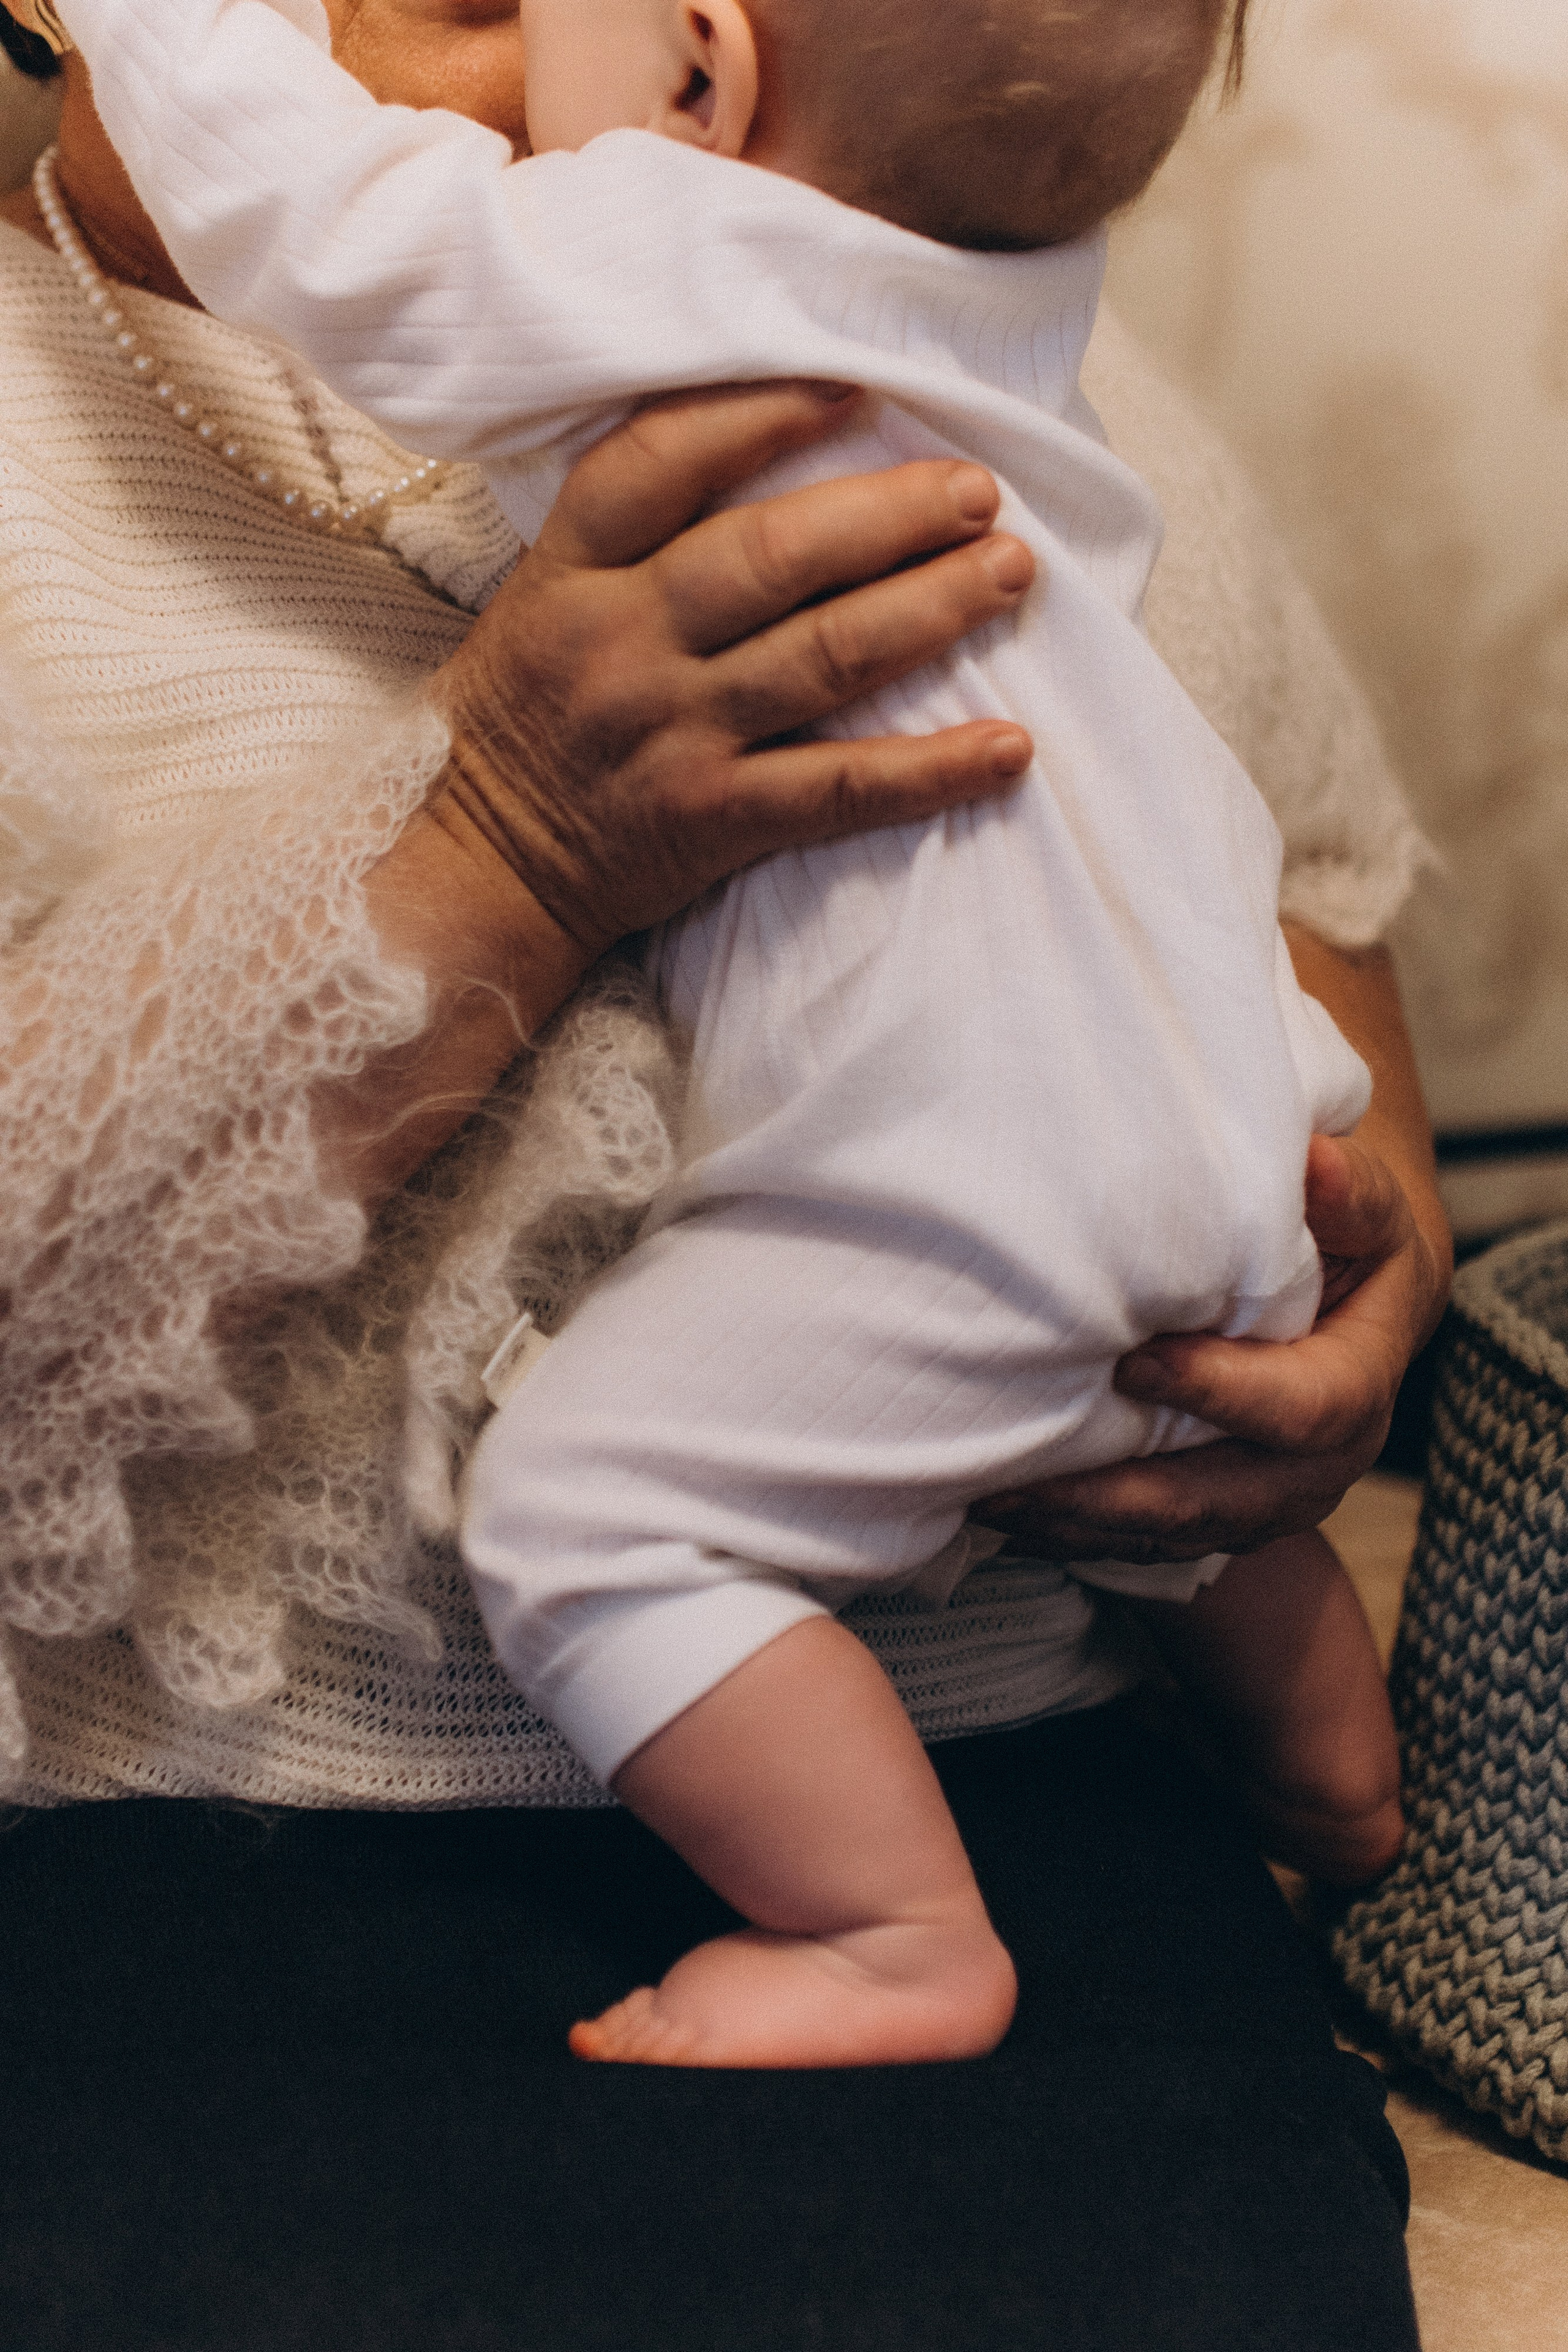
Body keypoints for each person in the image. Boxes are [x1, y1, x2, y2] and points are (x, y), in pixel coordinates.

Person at [0, 4, 1444, 2342]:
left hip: (1018, 1781)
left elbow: (1319, 930)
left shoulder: (682, 259)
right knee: (1138, 1331)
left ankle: (914, 1914)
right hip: (189, 1878)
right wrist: (507, 837)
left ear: (701, 70)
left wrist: (1369, 1321)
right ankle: (1329, 1762)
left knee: (632, 1501)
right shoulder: (967, 300)